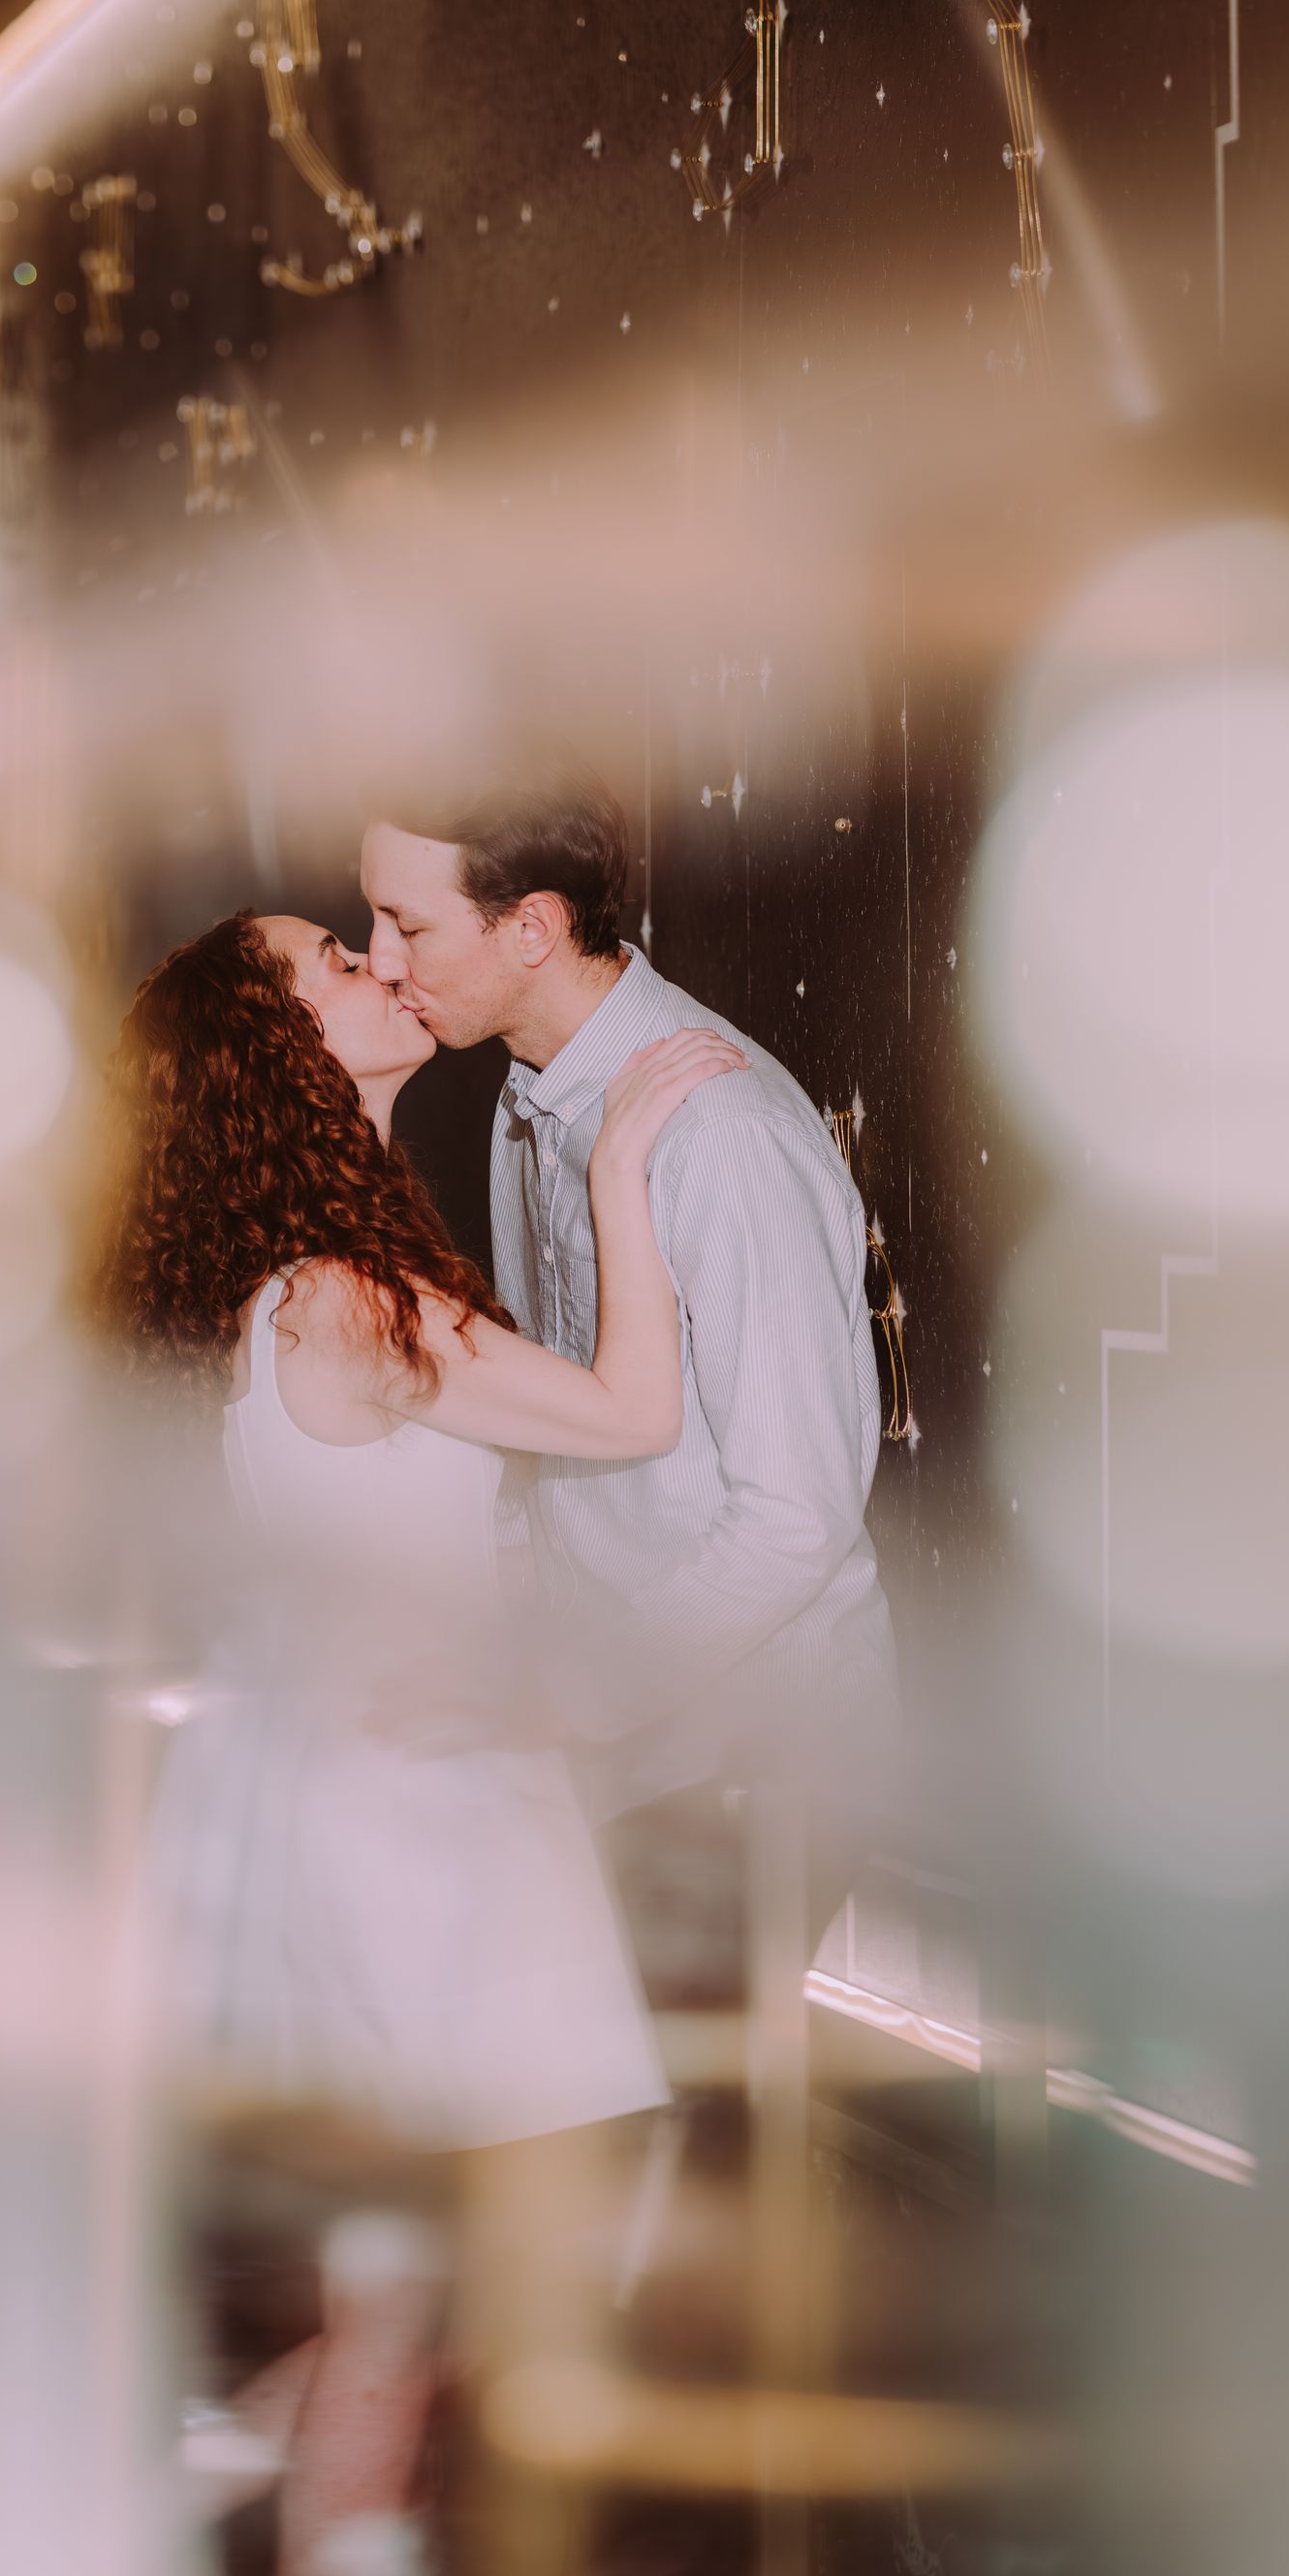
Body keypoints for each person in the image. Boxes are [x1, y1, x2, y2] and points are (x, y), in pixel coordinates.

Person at [92, 908, 743, 2576]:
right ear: (285, 1052)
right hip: (414, 1836)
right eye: (332, 960)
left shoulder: (292, 1285)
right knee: (421, 2304)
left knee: (418, 2300)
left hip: (373, 1813)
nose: (377, 964)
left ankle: (143, 2518)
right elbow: (632, 1415)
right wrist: (624, 1167)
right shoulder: (343, 1295)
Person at [359, 774, 898, 1954]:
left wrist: (568, 1697)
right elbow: (561, 1430)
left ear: (532, 928)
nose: (381, 960)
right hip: (619, 1757)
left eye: (406, 925)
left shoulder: (722, 1132)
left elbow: (796, 1520)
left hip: (755, 1763)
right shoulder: (526, 1095)